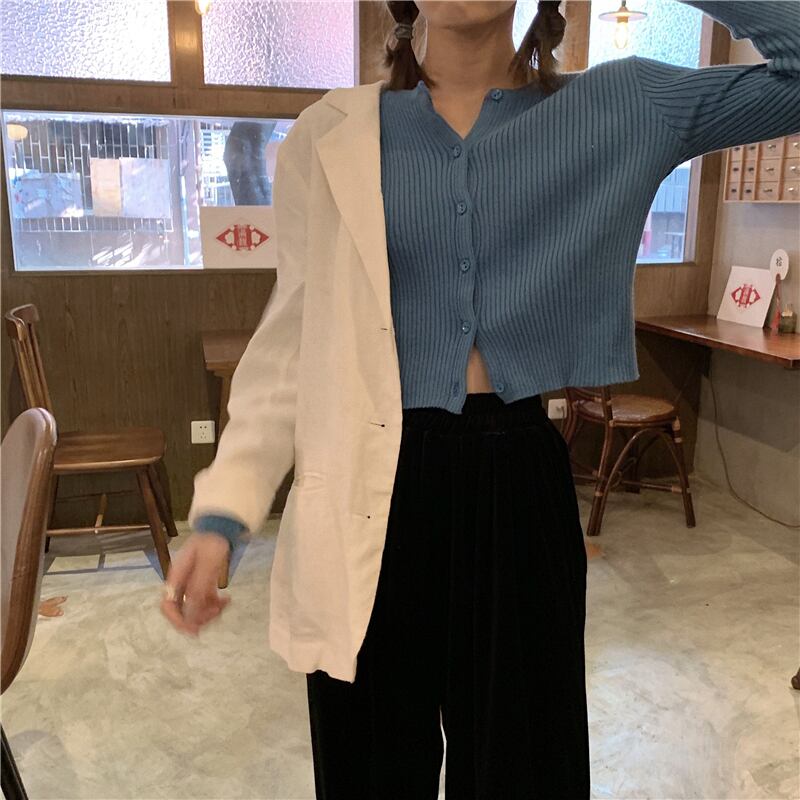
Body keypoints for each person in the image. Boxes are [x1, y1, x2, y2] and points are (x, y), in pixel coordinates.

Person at [161, 2, 800, 798]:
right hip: (366, 483)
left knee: (525, 771)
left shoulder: (621, 106)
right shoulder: (332, 133)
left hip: (519, 486)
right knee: (369, 772)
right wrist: (224, 512)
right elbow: (291, 341)